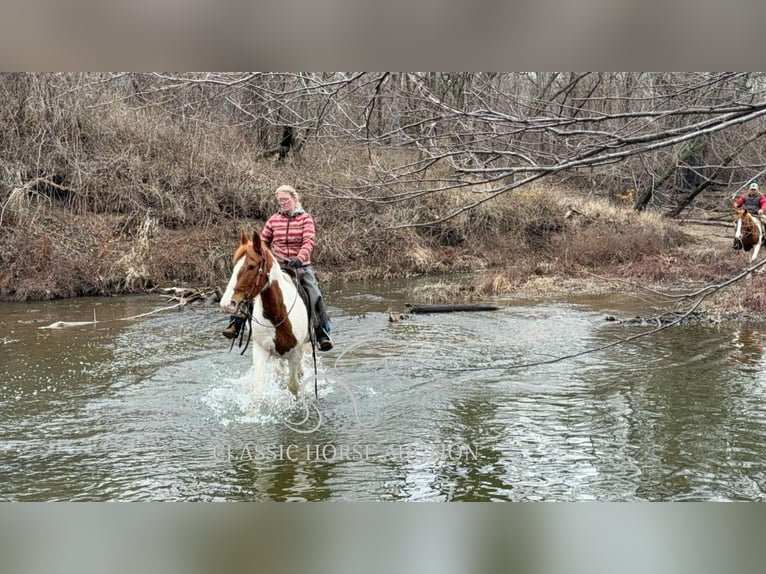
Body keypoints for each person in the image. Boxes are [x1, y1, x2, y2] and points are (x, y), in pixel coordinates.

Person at [223, 184, 333, 351]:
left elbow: (308, 242)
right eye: (280, 200)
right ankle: (235, 323)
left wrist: (299, 258)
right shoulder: (274, 219)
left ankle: (321, 332)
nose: (283, 203)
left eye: (286, 199)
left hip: (300, 266)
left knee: (314, 292)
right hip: (277, 266)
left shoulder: (305, 219)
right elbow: (263, 242)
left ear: (294, 198)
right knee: (252, 286)